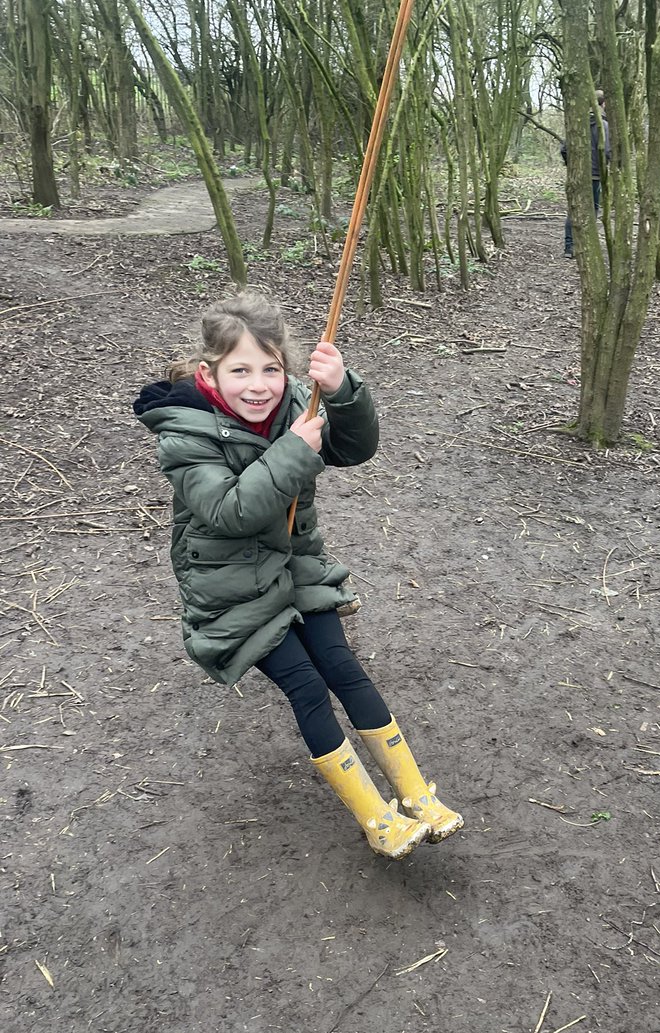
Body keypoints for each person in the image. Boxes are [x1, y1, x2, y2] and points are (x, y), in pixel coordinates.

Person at [134, 293, 463, 860]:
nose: (258, 385)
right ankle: (376, 819)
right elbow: (228, 511)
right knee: (308, 687)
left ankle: (416, 796)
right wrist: (289, 451)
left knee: (344, 669)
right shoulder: (185, 435)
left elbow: (355, 448)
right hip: (233, 596)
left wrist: (341, 391)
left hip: (297, 572)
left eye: (271, 369)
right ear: (210, 372)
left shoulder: (292, 405)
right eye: (240, 371)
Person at [561, 90, 611, 258]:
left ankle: (569, 247)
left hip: (577, 175)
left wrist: (572, 166)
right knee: (592, 209)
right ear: (603, 104)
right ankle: (586, 245)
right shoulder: (603, 125)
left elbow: (564, 149)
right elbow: (607, 152)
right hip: (595, 175)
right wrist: (604, 169)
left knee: (573, 209)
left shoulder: (577, 123)